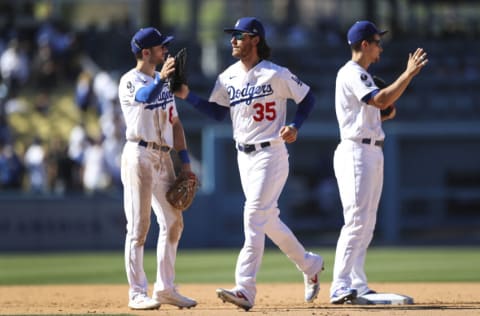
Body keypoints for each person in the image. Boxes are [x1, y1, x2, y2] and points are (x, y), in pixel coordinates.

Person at [175, 17, 324, 311]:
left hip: (272, 152)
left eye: (239, 36)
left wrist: (295, 125)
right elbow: (218, 114)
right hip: (244, 156)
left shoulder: (275, 73)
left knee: (253, 214)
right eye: (233, 36)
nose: (233, 40)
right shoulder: (227, 76)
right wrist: (186, 95)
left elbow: (307, 98)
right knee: (268, 221)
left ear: (255, 39)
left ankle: (245, 288)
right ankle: (310, 265)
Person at [329, 20, 428, 304]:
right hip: (356, 152)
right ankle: (340, 285)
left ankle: (357, 284)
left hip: (370, 151)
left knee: (367, 222)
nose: (380, 47)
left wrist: (383, 109)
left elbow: (383, 109)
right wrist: (407, 74)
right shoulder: (352, 73)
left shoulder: (364, 77)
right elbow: (382, 101)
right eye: (377, 42)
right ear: (364, 44)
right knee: (357, 221)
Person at [117, 27, 197, 310]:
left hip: (163, 157)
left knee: (174, 221)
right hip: (138, 153)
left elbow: (175, 124)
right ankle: (137, 292)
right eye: (161, 47)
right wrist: (162, 79)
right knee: (139, 227)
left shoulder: (163, 84)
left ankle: (165, 288)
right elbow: (145, 98)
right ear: (146, 52)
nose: (166, 51)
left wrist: (185, 162)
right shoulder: (130, 80)